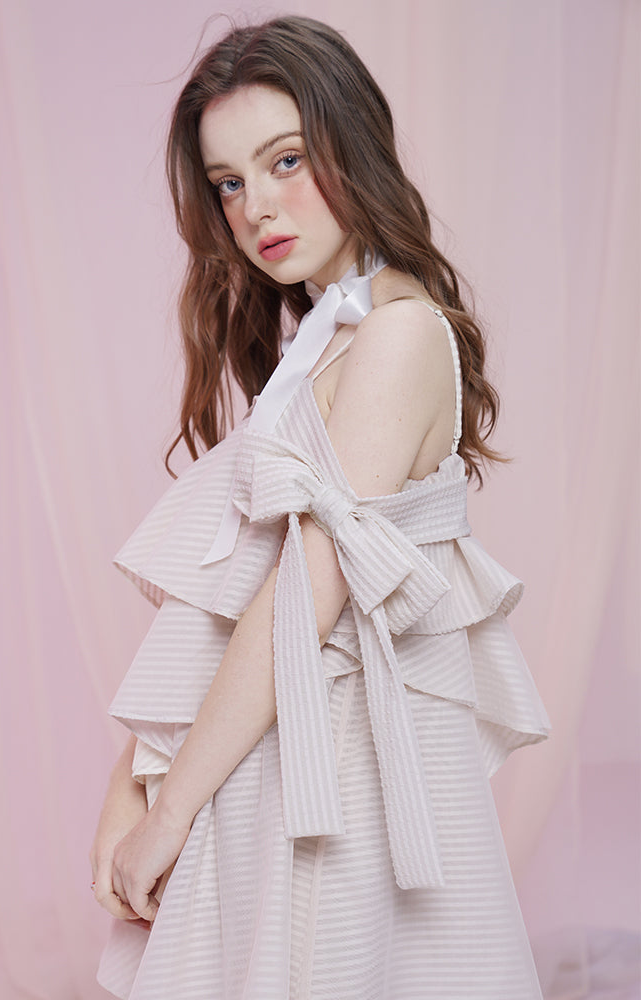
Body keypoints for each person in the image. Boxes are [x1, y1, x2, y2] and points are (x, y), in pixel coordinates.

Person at [90, 15, 551, 1000]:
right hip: (277, 751)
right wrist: (131, 782)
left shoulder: (397, 334)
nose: (256, 206)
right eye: (228, 182)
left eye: (286, 160)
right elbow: (232, 593)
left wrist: (166, 809)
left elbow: (305, 590)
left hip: (338, 775)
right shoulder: (323, 342)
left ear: (353, 144)